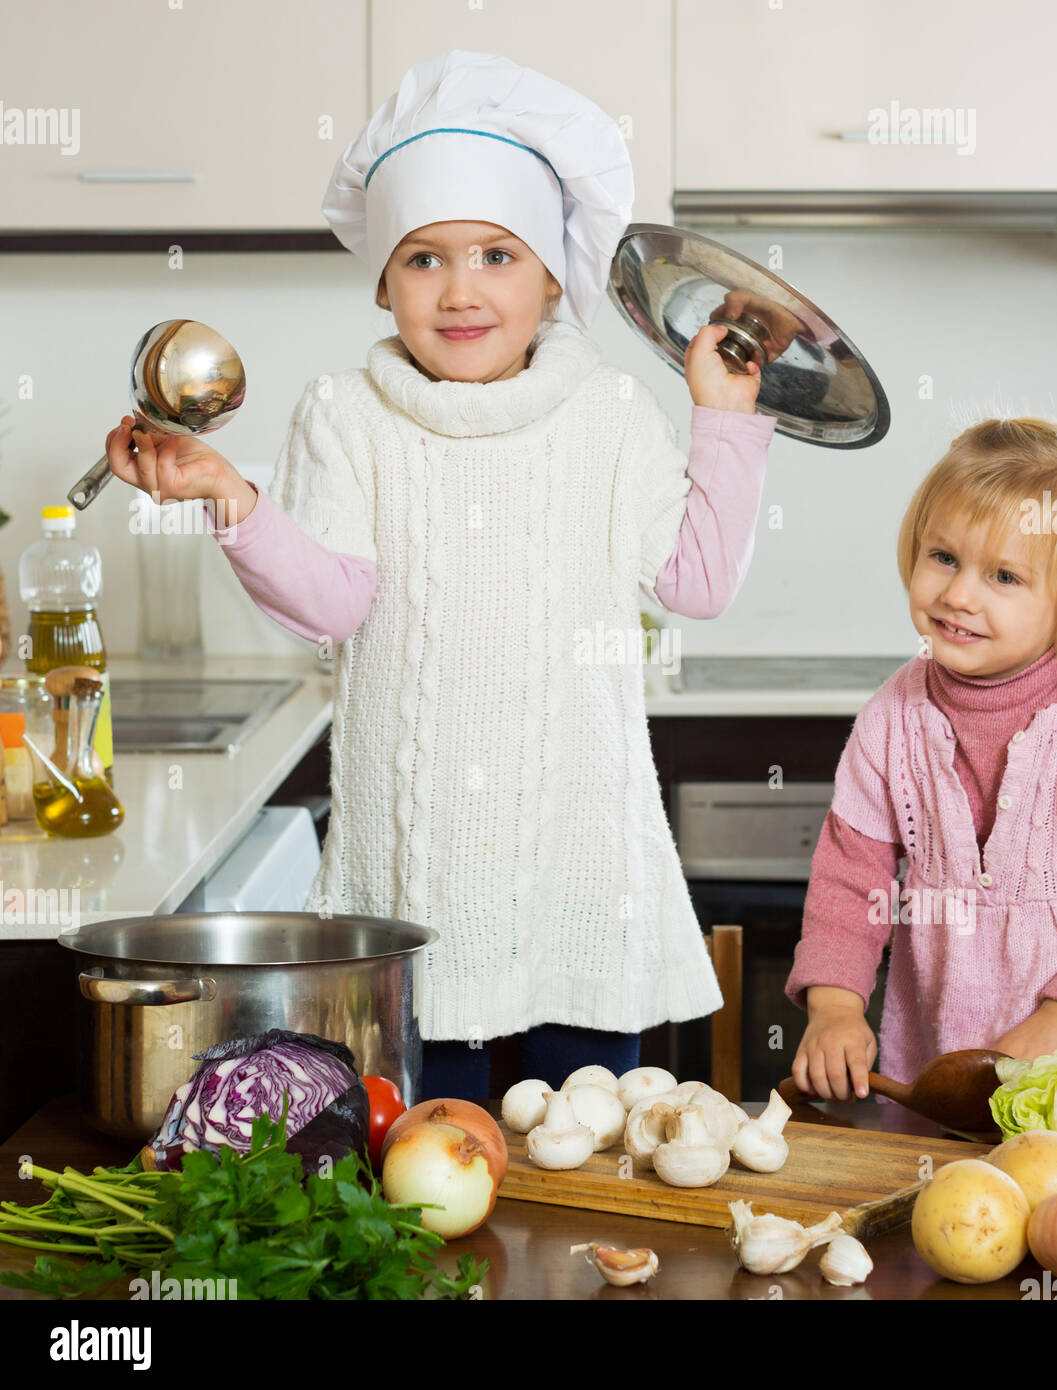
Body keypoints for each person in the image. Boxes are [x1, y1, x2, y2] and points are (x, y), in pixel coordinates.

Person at [103, 51, 778, 1097]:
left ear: (553, 275)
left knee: (577, 1178)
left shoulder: (607, 415)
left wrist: (726, 421)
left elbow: (696, 582)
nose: (460, 290)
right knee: (426, 1184)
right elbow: (334, 600)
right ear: (382, 280)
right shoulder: (344, 415)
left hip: (578, 890)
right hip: (408, 899)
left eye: (496, 255)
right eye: (422, 260)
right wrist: (225, 495)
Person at [788, 416, 1057, 1102]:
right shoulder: (891, 716)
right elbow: (851, 879)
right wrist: (836, 1005)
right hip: (950, 1057)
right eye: (943, 558)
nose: (959, 594)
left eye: (1002, 575)